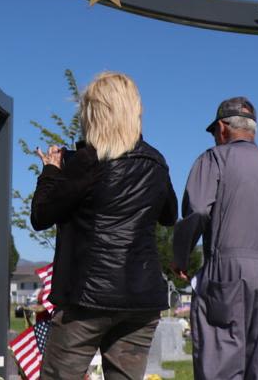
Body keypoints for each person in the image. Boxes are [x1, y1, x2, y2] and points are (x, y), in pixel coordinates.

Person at [30, 71, 177, 380]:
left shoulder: (86, 162)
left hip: (87, 297)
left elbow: (41, 216)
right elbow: (168, 216)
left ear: (93, 113)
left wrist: (50, 172)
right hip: (141, 296)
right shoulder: (156, 163)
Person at [172, 96, 258, 380]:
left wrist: (180, 254)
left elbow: (198, 211)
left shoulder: (214, 158)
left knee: (220, 361)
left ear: (222, 127)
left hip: (228, 271)